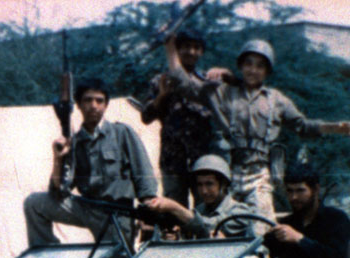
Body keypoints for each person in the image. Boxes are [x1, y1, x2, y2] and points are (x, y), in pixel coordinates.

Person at [166, 37, 350, 225]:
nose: (253, 70)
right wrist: (170, 49)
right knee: (221, 226)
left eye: (259, 66)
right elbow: (184, 84)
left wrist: (333, 127)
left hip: (259, 175)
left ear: (267, 71)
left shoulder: (276, 100)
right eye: (248, 64)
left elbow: (302, 126)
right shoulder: (222, 93)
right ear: (241, 66)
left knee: (262, 227)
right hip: (227, 173)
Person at [24, 78, 158, 246]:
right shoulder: (74, 142)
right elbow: (58, 192)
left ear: (106, 105)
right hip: (87, 208)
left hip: (117, 213)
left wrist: (148, 215)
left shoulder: (121, 133)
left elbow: (144, 176)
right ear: (79, 105)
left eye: (99, 101)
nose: (93, 106)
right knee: (34, 203)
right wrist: (58, 158)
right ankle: (46, 254)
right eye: (87, 100)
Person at [141, 29, 212, 208]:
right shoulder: (161, 80)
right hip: (172, 160)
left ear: (202, 52)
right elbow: (146, 117)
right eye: (186, 47)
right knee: (174, 211)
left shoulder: (207, 82)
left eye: (196, 48)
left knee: (205, 209)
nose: (191, 52)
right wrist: (162, 96)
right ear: (177, 49)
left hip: (202, 159)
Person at [263, 162, 350, 258]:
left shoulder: (336, 219)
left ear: (316, 190)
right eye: (290, 191)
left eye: (300, 190)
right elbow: (264, 253)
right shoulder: (287, 224)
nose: (294, 197)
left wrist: (299, 239)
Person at [145, 154, 253, 239]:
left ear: (223, 185)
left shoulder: (241, 212)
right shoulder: (199, 210)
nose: (204, 191)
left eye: (209, 184)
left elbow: (210, 226)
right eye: (200, 185)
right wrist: (176, 237)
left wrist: (174, 208)